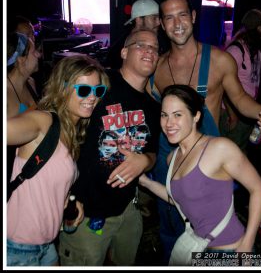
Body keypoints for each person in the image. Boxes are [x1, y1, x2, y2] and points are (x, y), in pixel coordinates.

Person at [147, 0, 261, 264]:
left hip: (209, 160)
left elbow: (241, 99)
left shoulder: (220, 60)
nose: (177, 23)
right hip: (168, 159)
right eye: (169, 18)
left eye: (182, 14)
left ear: (194, 17)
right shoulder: (156, 68)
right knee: (170, 223)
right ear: (161, 23)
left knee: (211, 225)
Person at [58, 28, 161, 266]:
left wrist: (145, 161)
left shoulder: (154, 107)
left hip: (127, 210)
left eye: (155, 48)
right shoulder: (100, 84)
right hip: (86, 211)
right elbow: (59, 115)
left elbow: (153, 152)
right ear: (124, 52)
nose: (150, 51)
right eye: (142, 45)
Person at [139, 84, 261, 258]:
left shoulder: (219, 148)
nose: (169, 123)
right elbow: (179, 198)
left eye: (178, 115)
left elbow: (258, 188)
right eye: (164, 115)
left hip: (231, 249)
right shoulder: (172, 157)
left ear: (196, 116)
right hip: (199, 245)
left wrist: (247, 242)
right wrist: (145, 182)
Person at [6, 54, 109, 266]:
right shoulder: (43, 121)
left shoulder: (71, 132)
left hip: (47, 246)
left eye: (98, 90)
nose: (92, 97)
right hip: (17, 248)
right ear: (63, 88)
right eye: (83, 89)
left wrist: (67, 200)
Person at [219, 9, 261, 153]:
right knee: (231, 153)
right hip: (233, 112)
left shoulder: (255, 49)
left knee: (241, 151)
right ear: (257, 28)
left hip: (247, 111)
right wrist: (232, 115)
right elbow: (222, 85)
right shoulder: (236, 51)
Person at [7, 32, 41, 187]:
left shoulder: (31, 82)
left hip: (33, 166)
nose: (39, 55)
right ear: (20, 59)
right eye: (34, 51)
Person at [105, 0, 160, 69]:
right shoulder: (118, 50)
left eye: (159, 18)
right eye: (154, 18)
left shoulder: (161, 41)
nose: (159, 23)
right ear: (139, 20)